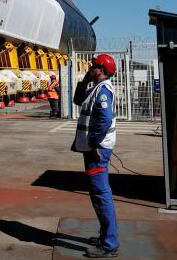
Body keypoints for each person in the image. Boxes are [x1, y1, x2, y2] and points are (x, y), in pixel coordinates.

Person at [71, 54, 119, 258]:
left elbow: (105, 119)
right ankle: (105, 235)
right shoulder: (95, 88)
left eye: (93, 66)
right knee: (96, 193)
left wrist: (93, 143)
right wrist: (84, 80)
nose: (90, 68)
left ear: (101, 69)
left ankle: (109, 244)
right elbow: (77, 100)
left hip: (96, 150)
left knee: (101, 193)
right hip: (92, 148)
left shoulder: (103, 91)